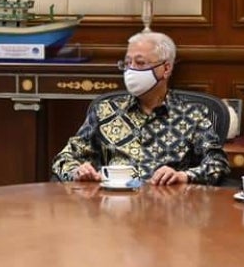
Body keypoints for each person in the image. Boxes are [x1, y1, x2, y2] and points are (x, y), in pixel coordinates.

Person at [51, 31, 229, 185]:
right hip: (111, 211)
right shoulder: (106, 110)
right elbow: (63, 159)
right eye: (127, 63)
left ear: (166, 69)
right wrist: (78, 172)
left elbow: (217, 164)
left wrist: (184, 176)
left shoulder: (192, 115)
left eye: (140, 63)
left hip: (168, 212)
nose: (131, 70)